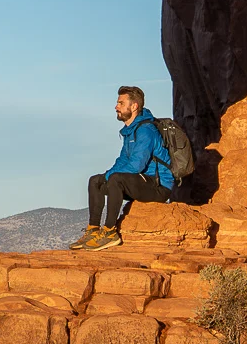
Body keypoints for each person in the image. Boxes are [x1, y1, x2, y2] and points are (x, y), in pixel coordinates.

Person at [71, 85, 175, 251]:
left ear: (133, 106)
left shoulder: (145, 130)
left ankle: (110, 232)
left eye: (120, 103)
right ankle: (93, 230)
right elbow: (122, 160)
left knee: (116, 179)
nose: (116, 107)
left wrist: (111, 176)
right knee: (95, 180)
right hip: (141, 181)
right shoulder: (130, 131)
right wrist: (105, 176)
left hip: (158, 186)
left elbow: (136, 165)